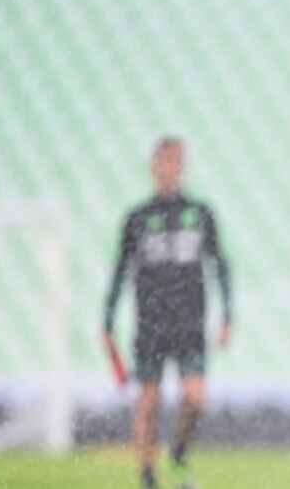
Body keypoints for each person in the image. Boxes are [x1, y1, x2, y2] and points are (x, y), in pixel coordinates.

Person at [103, 137, 232, 489]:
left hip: (189, 322)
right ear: (153, 166)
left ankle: (177, 454)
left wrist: (227, 317)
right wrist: (107, 322)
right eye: (164, 161)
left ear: (183, 166)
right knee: (148, 401)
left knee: (195, 398)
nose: (170, 168)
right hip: (151, 324)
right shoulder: (137, 218)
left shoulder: (201, 214)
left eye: (176, 161)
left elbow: (221, 265)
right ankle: (148, 476)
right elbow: (120, 272)